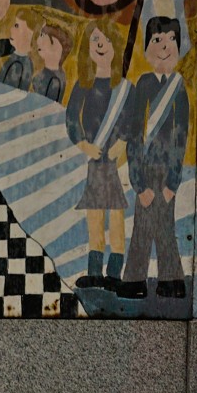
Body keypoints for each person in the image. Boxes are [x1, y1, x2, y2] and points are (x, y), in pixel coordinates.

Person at [116, 17, 188, 300]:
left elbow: (181, 136)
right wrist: (137, 181)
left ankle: (171, 279)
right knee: (143, 224)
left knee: (165, 224)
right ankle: (134, 279)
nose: (164, 46)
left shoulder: (179, 87)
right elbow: (134, 133)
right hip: (145, 167)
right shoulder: (143, 84)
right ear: (147, 47)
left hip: (167, 167)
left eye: (171, 39)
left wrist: (173, 181)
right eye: (157, 39)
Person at [66, 21, 129, 290]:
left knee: (115, 216)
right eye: (94, 40)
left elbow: (135, 121)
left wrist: (123, 144)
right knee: (94, 216)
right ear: (87, 49)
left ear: (116, 47)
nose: (100, 44)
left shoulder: (126, 88)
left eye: (105, 39)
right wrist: (83, 144)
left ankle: (114, 273)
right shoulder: (83, 85)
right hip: (95, 159)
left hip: (115, 162)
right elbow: (71, 118)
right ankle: (94, 272)